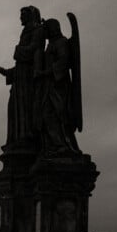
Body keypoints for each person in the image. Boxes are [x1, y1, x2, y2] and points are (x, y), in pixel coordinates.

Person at [0, 6, 45, 148]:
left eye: (23, 15)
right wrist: (8, 72)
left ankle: (26, 136)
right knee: (14, 107)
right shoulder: (26, 31)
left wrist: (18, 50)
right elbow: (21, 63)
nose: (20, 18)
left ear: (31, 16)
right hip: (20, 76)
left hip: (29, 76)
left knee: (26, 105)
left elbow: (35, 50)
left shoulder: (38, 30)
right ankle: (17, 138)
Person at [36, 17, 82, 156]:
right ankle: (54, 145)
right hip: (49, 85)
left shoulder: (61, 42)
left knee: (56, 114)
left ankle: (62, 145)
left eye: (47, 29)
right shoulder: (50, 45)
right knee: (47, 115)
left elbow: (63, 62)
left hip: (58, 85)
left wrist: (45, 73)